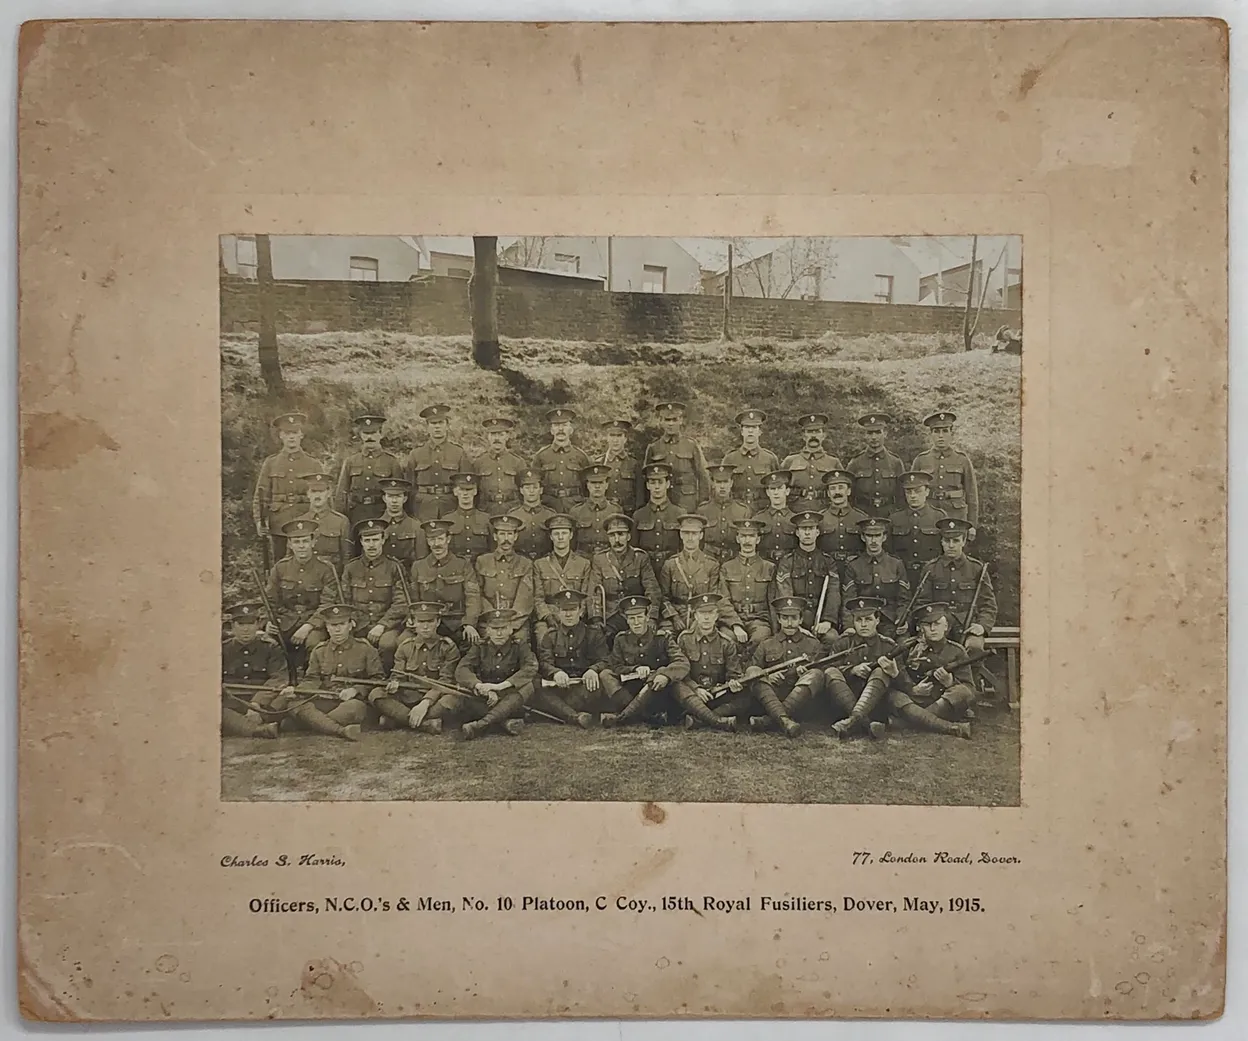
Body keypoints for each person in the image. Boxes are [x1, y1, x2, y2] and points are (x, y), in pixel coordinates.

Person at [911, 517, 997, 683]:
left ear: (964, 541)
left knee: (974, 648)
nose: (951, 545)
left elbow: (988, 604)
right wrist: (927, 625)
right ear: (941, 542)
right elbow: (922, 603)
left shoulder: (976, 568)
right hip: (938, 623)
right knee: (928, 651)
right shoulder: (931, 568)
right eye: (947, 541)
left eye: (956, 541)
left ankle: (969, 691)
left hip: (968, 625)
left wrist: (982, 626)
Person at [811, 596, 904, 740]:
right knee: (831, 672)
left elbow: (906, 685)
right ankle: (865, 724)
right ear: (853, 622)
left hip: (875, 706)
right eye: (859, 620)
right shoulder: (842, 644)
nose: (864, 625)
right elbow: (826, 672)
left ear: (877, 620)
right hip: (843, 702)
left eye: (868, 619)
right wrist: (852, 670)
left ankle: (851, 722)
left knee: (881, 671)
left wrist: (894, 673)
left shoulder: (889, 646)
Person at [731, 596, 824, 737]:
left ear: (800, 620)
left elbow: (820, 677)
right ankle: (785, 721)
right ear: (779, 619)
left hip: (802, 702)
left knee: (816, 674)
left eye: (794, 618)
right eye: (785, 618)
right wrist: (767, 676)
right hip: (772, 697)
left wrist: (804, 674)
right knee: (753, 671)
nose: (789, 623)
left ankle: (771, 720)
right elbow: (751, 671)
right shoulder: (766, 644)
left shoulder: (813, 644)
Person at [880, 602, 974, 738]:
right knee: (892, 695)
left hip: (941, 701)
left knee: (961, 692)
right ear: (920, 627)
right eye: (927, 625)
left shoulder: (957, 651)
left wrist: (950, 683)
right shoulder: (908, 647)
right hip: (913, 700)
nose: (933, 629)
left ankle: (906, 722)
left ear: (946, 626)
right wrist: (912, 689)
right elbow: (898, 677)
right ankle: (951, 728)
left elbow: (970, 690)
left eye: (937, 624)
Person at [444, 608, 537, 739]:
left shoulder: (519, 645)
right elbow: (462, 669)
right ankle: (504, 722)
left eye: (503, 628)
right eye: (494, 629)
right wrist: (479, 686)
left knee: (529, 686)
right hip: (487, 699)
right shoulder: (480, 646)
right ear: (487, 630)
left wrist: (500, 687)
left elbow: (530, 667)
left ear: (511, 629)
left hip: (511, 697)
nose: (499, 633)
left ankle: (481, 725)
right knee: (463, 695)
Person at [599, 595, 690, 728]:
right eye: (632, 618)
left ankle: (622, 718)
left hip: (655, 690)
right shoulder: (620, 639)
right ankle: (647, 716)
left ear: (647, 617)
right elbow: (616, 666)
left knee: (672, 684)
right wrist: (634, 669)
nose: (636, 622)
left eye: (640, 617)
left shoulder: (662, 637)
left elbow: (682, 662)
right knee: (605, 675)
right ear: (626, 620)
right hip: (630, 692)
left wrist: (665, 674)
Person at [370, 602, 462, 733]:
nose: (425, 627)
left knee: (453, 699)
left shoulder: (448, 647)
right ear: (413, 623)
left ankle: (398, 718)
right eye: (420, 621)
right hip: (408, 698)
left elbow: (445, 681)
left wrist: (425, 703)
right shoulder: (405, 646)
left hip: (434, 700)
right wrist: (394, 684)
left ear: (438, 622)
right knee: (376, 694)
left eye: (430, 621)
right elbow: (397, 675)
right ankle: (424, 724)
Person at [289, 603, 375, 740]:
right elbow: (311, 679)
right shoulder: (319, 650)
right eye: (333, 626)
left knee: (354, 708)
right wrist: (298, 691)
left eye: (342, 624)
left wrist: (356, 690)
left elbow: (377, 680)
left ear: (351, 625)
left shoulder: (365, 649)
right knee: (294, 704)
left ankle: (310, 722)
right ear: (327, 627)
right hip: (326, 699)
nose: (338, 630)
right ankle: (339, 730)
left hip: (352, 702)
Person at [336, 518, 409, 673]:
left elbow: (401, 603)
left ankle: (386, 678)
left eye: (375, 540)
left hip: (387, 625)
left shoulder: (394, 567)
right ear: (361, 542)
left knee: (387, 644)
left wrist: (382, 625)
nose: (371, 545)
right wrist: (353, 621)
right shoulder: (351, 568)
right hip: (358, 624)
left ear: (383, 540)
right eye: (367, 540)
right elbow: (344, 599)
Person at [263, 517, 336, 664]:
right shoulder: (280, 568)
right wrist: (267, 622)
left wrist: (308, 626)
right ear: (290, 544)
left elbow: (327, 604)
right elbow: (269, 600)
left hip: (314, 622)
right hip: (285, 621)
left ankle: (310, 679)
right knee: (266, 641)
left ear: (313, 542)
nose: (301, 546)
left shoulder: (326, 569)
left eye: (305, 541)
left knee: (313, 642)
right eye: (296, 542)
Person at [534, 589, 610, 727]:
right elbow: (544, 663)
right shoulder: (550, 636)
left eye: (573, 609)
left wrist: (593, 669)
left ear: (581, 611)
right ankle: (576, 717)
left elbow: (606, 660)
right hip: (560, 688)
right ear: (558, 612)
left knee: (599, 686)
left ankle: (562, 712)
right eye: (564, 610)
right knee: (535, 685)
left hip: (584, 687)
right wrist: (555, 672)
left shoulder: (593, 633)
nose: (568, 614)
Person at [253, 412, 321, 563]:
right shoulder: (271, 463)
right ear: (281, 436)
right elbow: (261, 495)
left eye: (295, 433)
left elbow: (322, 496)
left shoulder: (313, 464)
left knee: (307, 561)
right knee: (280, 563)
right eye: (287, 433)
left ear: (301, 435)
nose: (291, 437)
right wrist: (259, 521)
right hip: (279, 522)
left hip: (305, 519)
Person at [670, 593, 741, 731]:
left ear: (716, 616)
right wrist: (696, 689)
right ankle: (717, 721)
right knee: (676, 685)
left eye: (710, 613)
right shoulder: (684, 639)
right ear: (695, 616)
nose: (706, 617)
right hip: (691, 694)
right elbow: (680, 671)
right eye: (702, 613)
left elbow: (734, 674)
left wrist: (732, 684)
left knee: (746, 696)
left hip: (717, 695)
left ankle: (698, 719)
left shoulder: (726, 642)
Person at [716, 519, 790, 648]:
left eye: (751, 536)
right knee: (727, 640)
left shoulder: (769, 567)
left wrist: (776, 629)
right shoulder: (727, 567)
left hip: (760, 621)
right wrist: (735, 624)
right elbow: (723, 600)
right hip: (732, 620)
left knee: (760, 639)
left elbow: (774, 600)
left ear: (758, 539)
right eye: (743, 536)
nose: (747, 541)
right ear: (738, 539)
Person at [587, 513, 661, 640]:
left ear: (628, 536)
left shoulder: (640, 558)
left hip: (636, 612)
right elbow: (594, 592)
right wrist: (596, 619)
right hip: (610, 614)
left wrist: (652, 617)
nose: (617, 540)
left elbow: (652, 589)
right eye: (612, 535)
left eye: (621, 534)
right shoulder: (600, 559)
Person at [410, 519, 482, 648]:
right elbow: (414, 599)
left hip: (456, 623)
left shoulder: (463, 564)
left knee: (473, 643)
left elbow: (473, 596)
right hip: (428, 622)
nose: (436, 544)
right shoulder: (418, 566)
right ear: (427, 541)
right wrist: (416, 621)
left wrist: (470, 623)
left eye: (440, 539)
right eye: (432, 540)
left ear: (448, 539)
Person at [220, 602, 283, 739]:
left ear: (258, 625)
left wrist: (256, 703)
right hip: (232, 702)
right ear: (232, 626)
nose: (246, 629)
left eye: (250, 624)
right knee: (217, 711)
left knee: (284, 701)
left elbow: (278, 678)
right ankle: (258, 730)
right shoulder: (222, 650)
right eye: (241, 625)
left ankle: (242, 726)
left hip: (262, 702)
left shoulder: (270, 649)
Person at [911, 410, 979, 537]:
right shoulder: (921, 460)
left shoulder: (962, 460)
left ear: (951, 434)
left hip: (956, 515)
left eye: (945, 431)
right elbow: (911, 491)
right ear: (930, 434)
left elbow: (971, 495)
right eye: (936, 431)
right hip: (929, 515)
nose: (941, 436)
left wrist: (972, 525)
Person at [335, 413, 403, 534]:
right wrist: (340, 519)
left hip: (381, 513)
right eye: (366, 433)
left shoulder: (391, 462)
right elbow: (342, 493)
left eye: (373, 433)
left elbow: (399, 493)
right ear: (361, 435)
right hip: (356, 513)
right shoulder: (351, 461)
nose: (369, 437)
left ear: (380, 434)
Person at [779, 510, 841, 638]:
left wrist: (827, 621)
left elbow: (833, 593)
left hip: (821, 618)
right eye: (803, 529)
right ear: (797, 533)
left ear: (817, 532)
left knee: (831, 638)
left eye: (811, 528)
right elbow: (785, 594)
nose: (807, 533)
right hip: (795, 620)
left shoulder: (828, 561)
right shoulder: (787, 561)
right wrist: (796, 625)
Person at [532, 515, 594, 643]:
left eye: (564, 533)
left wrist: (577, 615)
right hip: (550, 614)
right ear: (551, 536)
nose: (560, 537)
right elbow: (538, 597)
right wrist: (548, 616)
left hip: (574, 614)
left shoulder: (584, 563)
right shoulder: (540, 564)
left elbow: (587, 596)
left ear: (571, 535)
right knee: (542, 635)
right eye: (556, 534)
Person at [406, 403, 472, 521]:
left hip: (450, 505)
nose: (437, 427)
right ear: (427, 427)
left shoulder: (458, 453)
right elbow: (410, 487)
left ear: (447, 425)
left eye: (441, 423)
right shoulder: (416, 454)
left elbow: (467, 485)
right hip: (423, 507)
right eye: (433, 423)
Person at [842, 517, 910, 631]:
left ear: (884, 537)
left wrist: (903, 620)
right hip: (863, 622)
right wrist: (849, 626)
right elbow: (848, 600)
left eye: (877, 535)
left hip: (890, 621)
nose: (874, 541)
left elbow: (904, 599)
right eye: (869, 536)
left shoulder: (896, 564)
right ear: (863, 537)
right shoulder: (854, 566)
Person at [474, 515, 536, 637]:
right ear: (495, 536)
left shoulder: (525, 564)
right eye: (502, 534)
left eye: (510, 534)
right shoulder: (482, 561)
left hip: (516, 623)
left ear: (515, 536)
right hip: (488, 621)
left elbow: (524, 599)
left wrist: (510, 626)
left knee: (519, 642)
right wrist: (493, 620)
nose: (506, 539)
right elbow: (477, 594)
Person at [658, 514, 720, 635]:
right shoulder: (670, 564)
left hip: (702, 616)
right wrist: (674, 617)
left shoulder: (711, 565)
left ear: (701, 536)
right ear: (681, 535)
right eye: (686, 533)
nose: (690, 538)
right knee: (663, 637)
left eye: (694, 533)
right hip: (675, 615)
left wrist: (699, 619)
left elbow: (714, 598)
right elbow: (663, 597)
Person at [887, 470, 947, 589]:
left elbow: (944, 552)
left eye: (918, 491)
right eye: (908, 491)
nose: (913, 495)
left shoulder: (939, 517)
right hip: (903, 577)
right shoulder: (894, 518)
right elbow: (889, 551)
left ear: (927, 492)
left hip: (931, 577)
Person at [643, 401, 709, 510]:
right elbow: (646, 480)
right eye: (667, 420)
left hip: (687, 504)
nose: (671, 424)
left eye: (675, 420)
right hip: (663, 504)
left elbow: (703, 476)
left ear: (681, 420)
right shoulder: (654, 448)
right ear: (661, 421)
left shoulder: (691, 445)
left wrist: (702, 505)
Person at [721, 408, 780, 512]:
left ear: (760, 432)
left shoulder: (770, 458)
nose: (751, 431)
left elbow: (778, 486)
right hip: (737, 510)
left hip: (762, 510)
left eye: (754, 427)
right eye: (747, 427)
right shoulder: (730, 459)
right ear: (742, 431)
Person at [532, 407, 590, 513]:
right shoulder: (541, 456)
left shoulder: (581, 456)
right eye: (557, 425)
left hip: (574, 507)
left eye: (564, 425)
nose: (561, 429)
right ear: (551, 430)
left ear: (571, 430)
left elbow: (588, 486)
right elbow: (533, 483)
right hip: (549, 506)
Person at [294, 469, 351, 572]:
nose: (317, 496)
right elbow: (291, 558)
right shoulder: (299, 522)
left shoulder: (341, 521)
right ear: (308, 494)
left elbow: (346, 558)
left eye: (321, 491)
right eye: (314, 491)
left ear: (329, 493)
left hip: (331, 577)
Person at [848, 412, 905, 515]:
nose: (874, 437)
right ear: (865, 435)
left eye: (878, 432)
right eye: (870, 433)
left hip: (889, 514)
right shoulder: (855, 463)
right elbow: (848, 496)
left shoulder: (895, 462)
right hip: (862, 514)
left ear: (885, 433)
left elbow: (902, 496)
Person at [782, 413, 844, 506]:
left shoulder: (833, 462)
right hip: (795, 511)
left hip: (823, 511)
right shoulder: (790, 461)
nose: (813, 435)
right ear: (803, 436)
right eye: (810, 432)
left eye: (817, 431)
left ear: (824, 435)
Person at [633, 462, 684, 572]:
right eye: (652, 482)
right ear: (647, 485)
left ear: (668, 484)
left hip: (673, 569)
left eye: (660, 482)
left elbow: (683, 547)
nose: (656, 487)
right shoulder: (639, 515)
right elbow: (634, 549)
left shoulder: (679, 514)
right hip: (646, 569)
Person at [697, 464, 751, 563]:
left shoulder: (742, 511)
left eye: (725, 482)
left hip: (734, 560)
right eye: (718, 482)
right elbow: (699, 543)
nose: (722, 486)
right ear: (713, 483)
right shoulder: (703, 510)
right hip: (708, 560)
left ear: (731, 483)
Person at [473, 417, 525, 517]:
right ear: (487, 436)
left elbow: (524, 490)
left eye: (501, 434)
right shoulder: (479, 462)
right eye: (493, 434)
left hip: (512, 510)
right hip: (486, 511)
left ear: (507, 436)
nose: (497, 438)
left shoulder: (518, 462)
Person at [818, 468, 869, 565]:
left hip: (855, 568)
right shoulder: (820, 519)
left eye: (841, 487)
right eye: (832, 488)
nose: (837, 492)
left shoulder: (861, 518)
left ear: (848, 491)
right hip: (827, 568)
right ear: (828, 493)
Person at [569, 464, 623, 556]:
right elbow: (572, 544)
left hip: (608, 558)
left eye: (601, 482)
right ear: (587, 485)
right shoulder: (576, 512)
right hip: (583, 559)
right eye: (593, 483)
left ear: (606, 485)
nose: (597, 486)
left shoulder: (615, 510)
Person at [376, 477, 426, 566]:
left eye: (398, 496)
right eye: (390, 496)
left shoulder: (416, 526)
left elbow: (421, 560)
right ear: (384, 498)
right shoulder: (377, 527)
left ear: (405, 499)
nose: (394, 501)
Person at [442, 472, 492, 561]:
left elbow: (492, 549)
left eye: (469, 490)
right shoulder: (447, 520)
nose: (465, 494)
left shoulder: (486, 519)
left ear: (475, 491)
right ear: (455, 492)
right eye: (461, 489)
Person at [509, 467, 556, 559]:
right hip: (520, 562)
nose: (531, 491)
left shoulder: (550, 514)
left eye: (535, 487)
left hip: (545, 561)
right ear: (521, 490)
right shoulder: (513, 515)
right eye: (527, 488)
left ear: (541, 490)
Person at [753, 470, 796, 563]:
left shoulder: (795, 520)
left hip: (789, 566)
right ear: (768, 492)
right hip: (764, 566)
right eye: (772, 489)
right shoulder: (758, 519)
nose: (776, 493)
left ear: (787, 491)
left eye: (780, 488)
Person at [600, 419, 643, 513]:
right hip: (605, 514)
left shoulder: (634, 464)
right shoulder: (599, 463)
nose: (615, 440)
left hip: (628, 514)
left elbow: (640, 497)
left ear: (625, 438)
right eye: (612, 435)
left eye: (619, 436)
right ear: (607, 438)